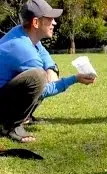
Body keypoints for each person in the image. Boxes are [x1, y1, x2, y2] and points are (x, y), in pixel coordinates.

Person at [0, 0, 96, 143]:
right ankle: (11, 126)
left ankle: (24, 117)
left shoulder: (21, 33)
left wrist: (51, 68)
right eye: (50, 19)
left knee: (44, 72)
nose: (54, 23)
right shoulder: (23, 49)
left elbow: (43, 52)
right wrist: (74, 79)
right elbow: (44, 90)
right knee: (37, 77)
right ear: (36, 23)